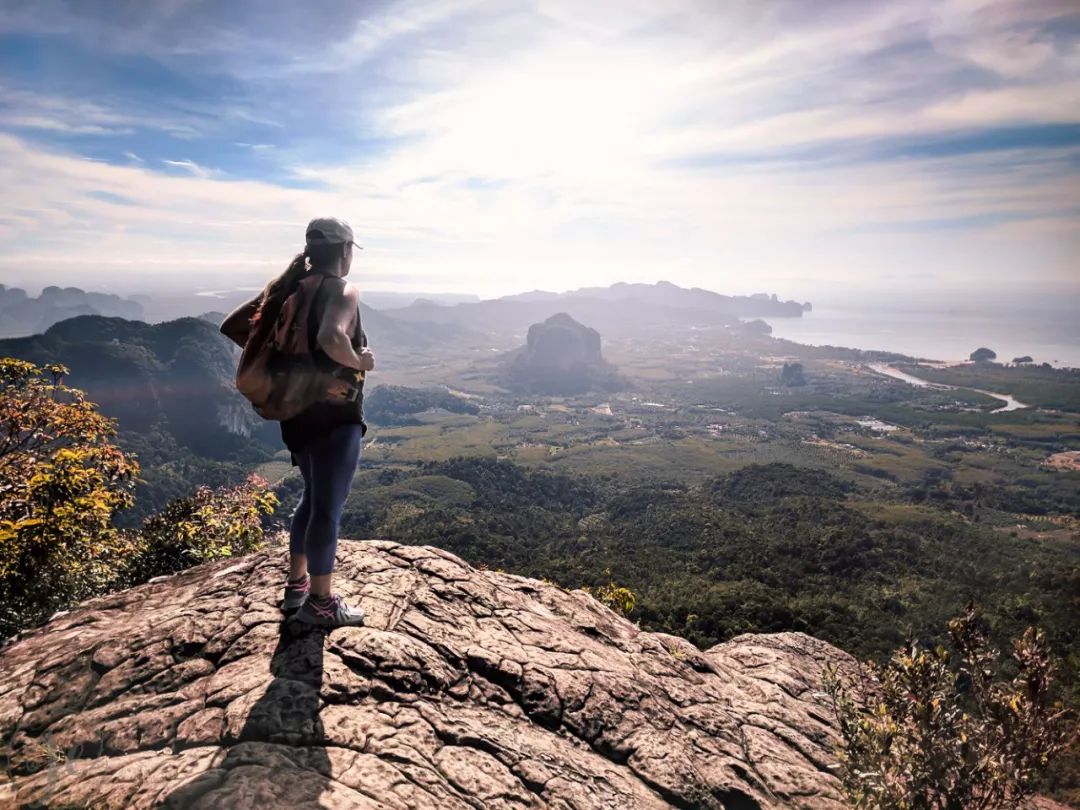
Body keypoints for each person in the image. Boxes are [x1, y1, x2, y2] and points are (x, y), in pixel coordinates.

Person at [220, 217, 374, 628]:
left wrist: (283, 358)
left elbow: (233, 326)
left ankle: (297, 587)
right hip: (334, 414)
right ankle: (321, 605)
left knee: (312, 495)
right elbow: (331, 338)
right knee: (329, 506)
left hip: (295, 413)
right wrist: (360, 361)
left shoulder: (288, 287)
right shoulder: (343, 289)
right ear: (345, 251)